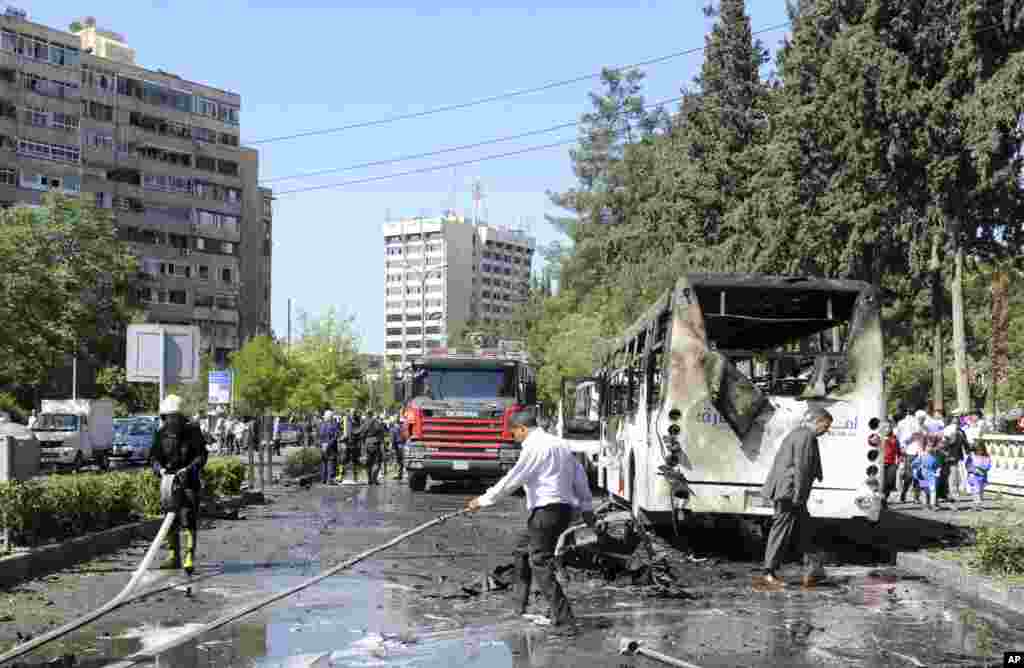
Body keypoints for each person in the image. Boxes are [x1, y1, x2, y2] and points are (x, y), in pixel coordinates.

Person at [466, 409, 595, 630]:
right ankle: (519, 605)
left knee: (540, 562)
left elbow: (514, 479)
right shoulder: (560, 444)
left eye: (514, 433)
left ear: (523, 429)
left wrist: (483, 500)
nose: (513, 438)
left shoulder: (535, 447)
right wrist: (586, 507)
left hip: (546, 511)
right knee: (522, 550)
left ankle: (565, 621)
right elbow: (579, 475)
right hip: (562, 510)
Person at [757, 407, 831, 589]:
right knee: (781, 530)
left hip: (790, 490)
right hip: (789, 491)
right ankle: (768, 572)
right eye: (826, 426)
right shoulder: (805, 436)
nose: (826, 430)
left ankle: (813, 571)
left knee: (805, 530)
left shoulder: (801, 434)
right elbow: (802, 468)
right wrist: (799, 496)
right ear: (817, 421)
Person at [151, 394, 208, 575]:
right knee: (169, 521)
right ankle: (173, 555)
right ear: (164, 417)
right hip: (168, 484)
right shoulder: (160, 434)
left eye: (175, 416)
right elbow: (153, 457)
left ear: (182, 417)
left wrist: (188, 469)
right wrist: (159, 469)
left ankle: (189, 556)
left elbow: (202, 456)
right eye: (168, 416)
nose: (172, 420)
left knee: (187, 518)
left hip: (188, 482)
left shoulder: (193, 432)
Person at [965, 443, 991, 512]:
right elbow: (968, 465)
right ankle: (976, 505)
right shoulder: (972, 456)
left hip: (982, 476)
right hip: (974, 476)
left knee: (981, 491)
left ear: (983, 450)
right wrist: (973, 470)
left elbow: (988, 466)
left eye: (981, 450)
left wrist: (982, 469)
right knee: (975, 491)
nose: (979, 452)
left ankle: (978, 505)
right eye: (978, 450)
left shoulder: (986, 457)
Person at [880, 421, 900, 508]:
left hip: (892, 463)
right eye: (885, 427)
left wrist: (898, 461)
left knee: (890, 483)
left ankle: (884, 498)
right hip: (881, 463)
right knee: (882, 484)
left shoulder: (894, 438)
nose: (887, 429)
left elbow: (898, 451)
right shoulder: (878, 437)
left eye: (888, 427)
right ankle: (882, 500)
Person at [900, 432, 924, 504]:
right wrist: (903, 449)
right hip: (910, 456)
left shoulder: (923, 435)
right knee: (909, 477)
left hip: (920, 457)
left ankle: (917, 497)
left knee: (919, 478)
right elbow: (902, 444)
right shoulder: (910, 436)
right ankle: (903, 495)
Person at [362, 413, 386, 485]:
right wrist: (383, 447)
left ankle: (369, 479)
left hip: (367, 444)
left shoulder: (365, 423)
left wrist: (364, 444)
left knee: (368, 463)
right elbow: (382, 436)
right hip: (376, 444)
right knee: (377, 463)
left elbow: (361, 434)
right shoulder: (377, 423)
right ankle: (374, 478)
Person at [318, 410, 339, 485]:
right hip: (330, 447)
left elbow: (318, 436)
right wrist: (328, 444)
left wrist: (321, 444)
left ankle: (323, 479)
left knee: (324, 462)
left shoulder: (321, 424)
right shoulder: (334, 425)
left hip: (322, 446)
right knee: (330, 462)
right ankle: (329, 480)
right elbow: (335, 437)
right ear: (331, 417)